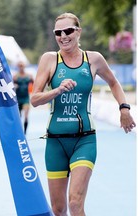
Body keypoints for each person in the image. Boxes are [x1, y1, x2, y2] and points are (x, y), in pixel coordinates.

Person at [30, 12, 136, 216]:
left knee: (76, 203)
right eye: (58, 32)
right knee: (58, 209)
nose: (63, 36)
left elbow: (114, 82)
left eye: (68, 30)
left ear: (78, 32)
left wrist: (124, 108)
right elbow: (35, 99)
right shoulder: (49, 59)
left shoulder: (93, 59)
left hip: (84, 140)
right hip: (55, 143)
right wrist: (57, 90)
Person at [13, 61, 33, 134]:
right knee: (19, 117)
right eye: (20, 66)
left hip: (25, 99)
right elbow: (11, 88)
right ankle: (19, 132)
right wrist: (14, 87)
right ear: (18, 67)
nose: (21, 67)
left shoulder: (29, 76)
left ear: (24, 66)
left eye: (22, 66)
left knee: (26, 116)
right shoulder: (15, 77)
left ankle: (25, 133)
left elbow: (36, 85)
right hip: (18, 99)